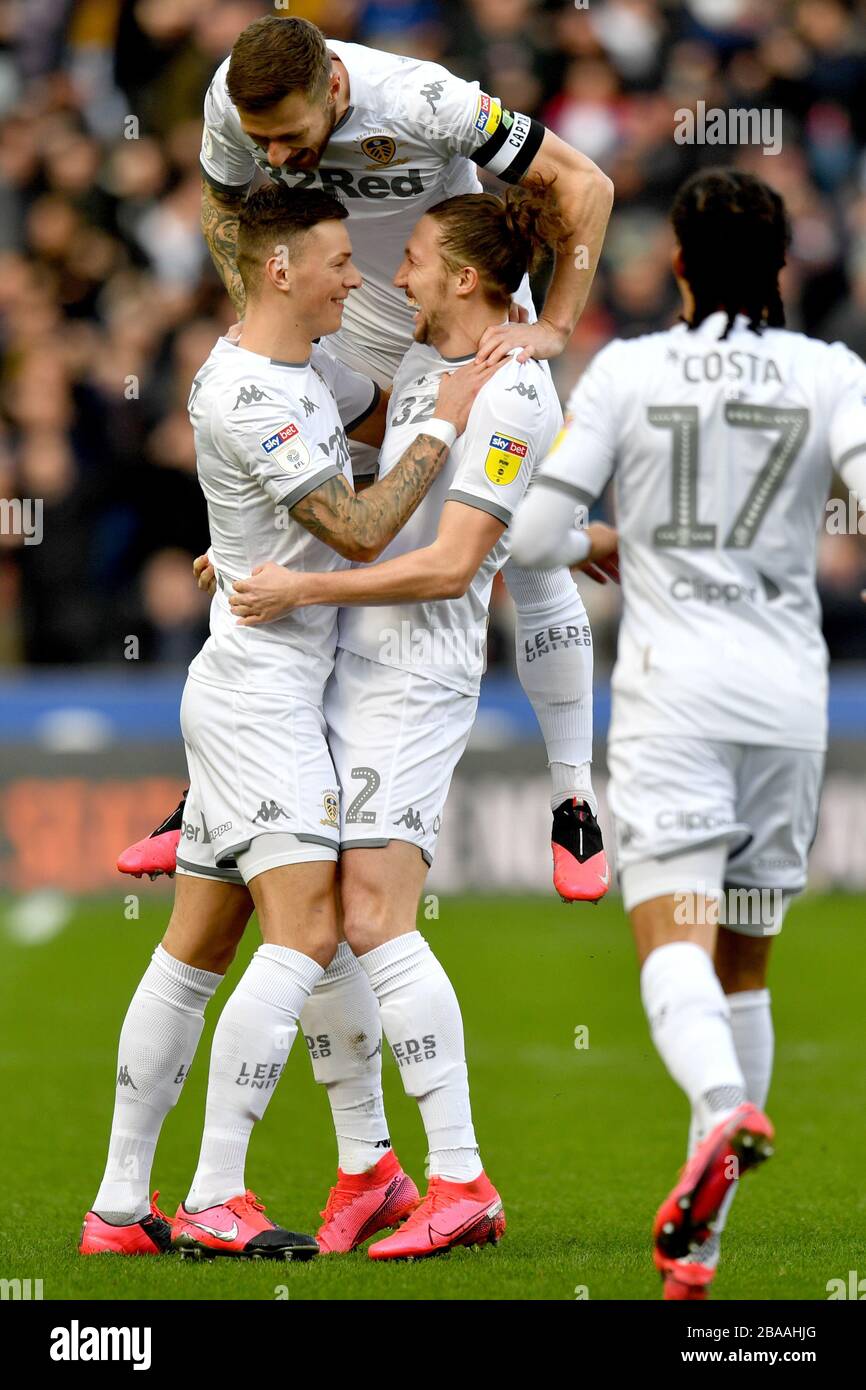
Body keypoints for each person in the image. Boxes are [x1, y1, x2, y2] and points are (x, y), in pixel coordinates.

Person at [79, 184, 491, 1260]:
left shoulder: (311, 368)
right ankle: (216, 1191)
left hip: (265, 685)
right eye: (338, 261)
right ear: (279, 268)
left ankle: (119, 1209)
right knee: (307, 933)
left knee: (197, 948)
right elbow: (358, 529)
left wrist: (478, 379)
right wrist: (451, 423)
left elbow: (376, 420)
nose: (355, 278)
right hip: (261, 697)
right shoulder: (245, 395)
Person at [118, 11, 615, 900]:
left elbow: (585, 184)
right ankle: (211, 793)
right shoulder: (231, 102)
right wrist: (265, 318)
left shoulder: (424, 101)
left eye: (292, 138)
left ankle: (573, 799)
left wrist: (556, 326)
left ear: (336, 89)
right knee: (283, 540)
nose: (276, 157)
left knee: (530, 554)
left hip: (455, 306)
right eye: (263, 143)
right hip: (348, 316)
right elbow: (229, 211)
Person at [509, 167, 866, 1299]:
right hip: (789, 704)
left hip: (676, 700)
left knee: (672, 936)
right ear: (784, 267)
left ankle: (720, 1110)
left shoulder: (628, 369)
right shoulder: (830, 372)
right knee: (744, 962)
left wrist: (602, 542)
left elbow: (531, 537)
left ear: (673, 265)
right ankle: (695, 1252)